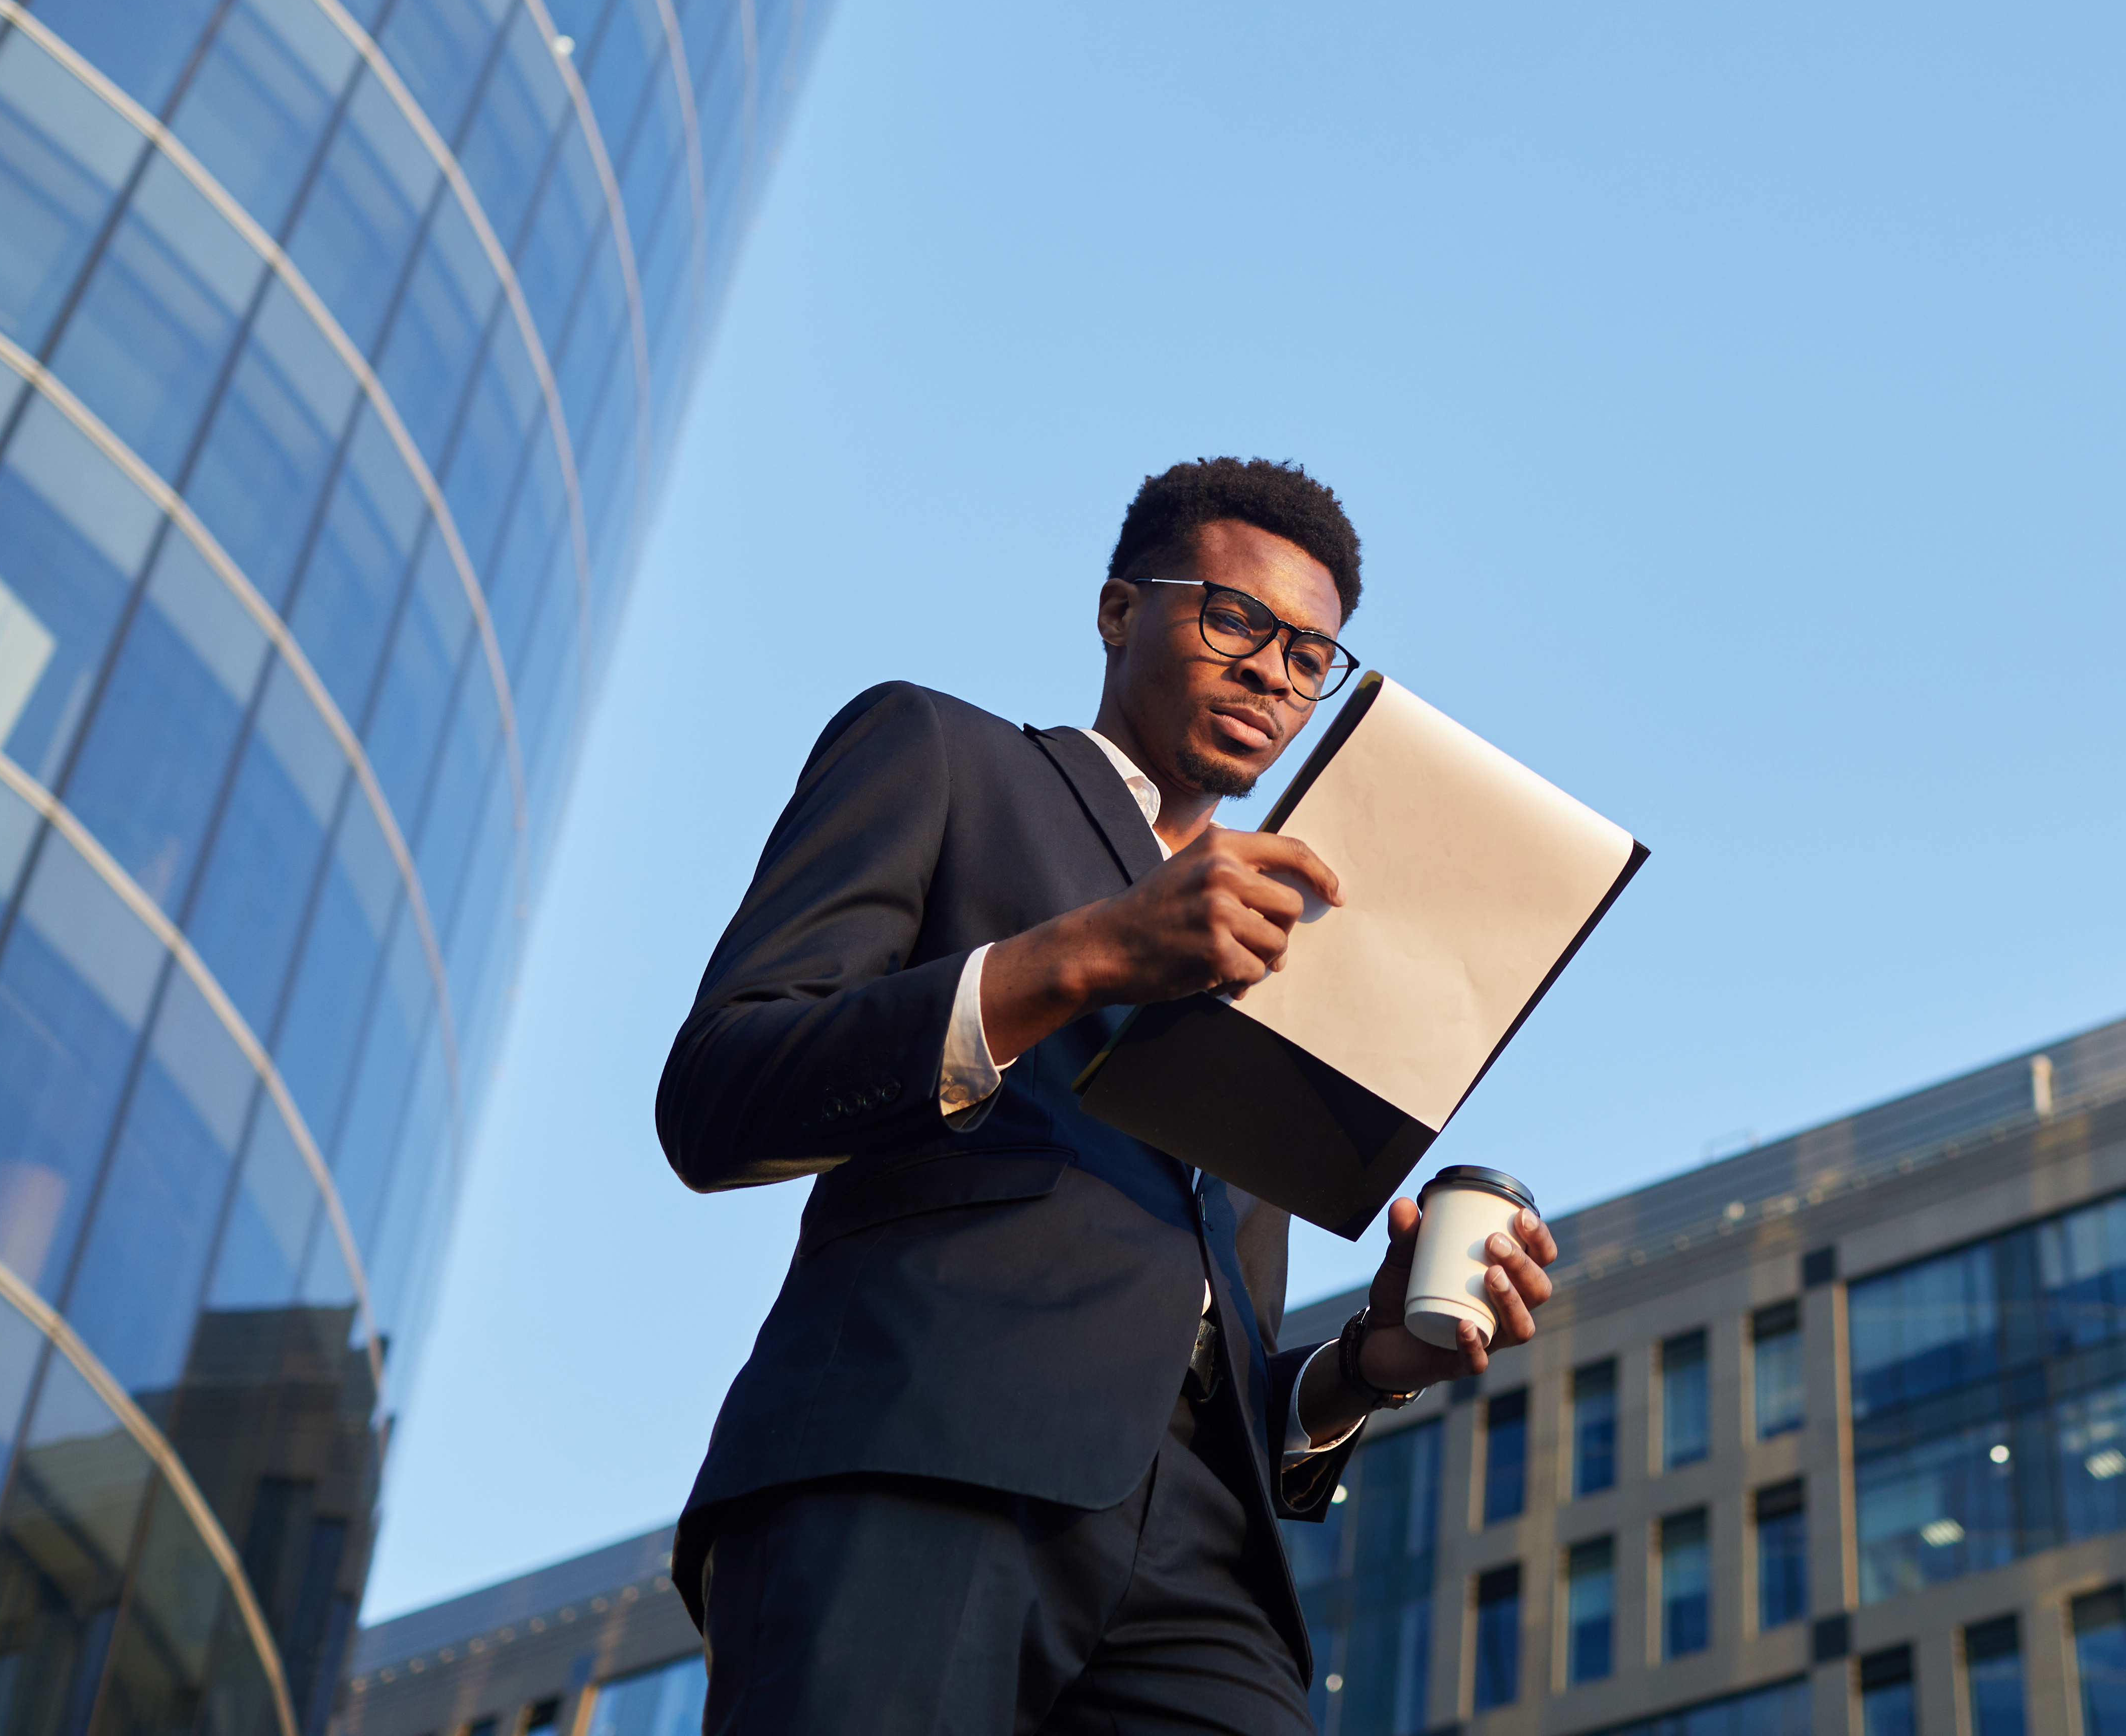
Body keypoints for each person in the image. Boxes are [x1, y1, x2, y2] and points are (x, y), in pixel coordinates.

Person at [658, 457, 1562, 1735]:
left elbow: (1196, 1323)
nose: (1271, 673)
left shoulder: (1291, 942)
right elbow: (718, 1095)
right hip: (919, 1452)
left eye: (1313, 657)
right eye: (1235, 618)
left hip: (1205, 1557)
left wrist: (1368, 1362)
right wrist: (1081, 955)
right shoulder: (942, 752)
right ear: (1119, 610)